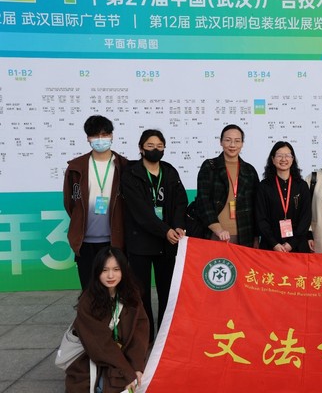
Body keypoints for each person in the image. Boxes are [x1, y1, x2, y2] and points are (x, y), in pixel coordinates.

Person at [121, 129, 188, 341]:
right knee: (140, 293)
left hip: (167, 243)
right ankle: (145, 336)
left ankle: (166, 336)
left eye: (159, 146)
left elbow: (180, 202)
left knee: (168, 291)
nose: (155, 149)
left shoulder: (169, 171)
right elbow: (140, 211)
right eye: (150, 146)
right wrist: (165, 230)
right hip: (140, 242)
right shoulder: (131, 174)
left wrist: (178, 226)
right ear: (141, 148)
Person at [65, 246, 149, 393]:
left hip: (124, 356)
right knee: (105, 386)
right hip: (94, 357)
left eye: (116, 269)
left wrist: (136, 367)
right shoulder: (88, 300)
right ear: (97, 272)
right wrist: (127, 373)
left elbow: (139, 333)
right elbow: (99, 344)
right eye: (105, 270)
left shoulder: (131, 295)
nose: (111, 275)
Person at [63, 115, 128, 290]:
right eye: (95, 135)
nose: (100, 139)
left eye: (105, 134)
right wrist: (79, 220)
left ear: (112, 136)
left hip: (115, 239)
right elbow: (70, 203)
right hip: (85, 240)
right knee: (89, 288)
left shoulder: (124, 166)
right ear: (88, 138)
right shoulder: (76, 167)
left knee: (114, 289)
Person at [196, 124, 260, 247]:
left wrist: (256, 238)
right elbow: (203, 201)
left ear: (242, 144)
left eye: (237, 141)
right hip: (215, 235)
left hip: (245, 236)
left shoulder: (249, 171)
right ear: (221, 142)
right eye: (228, 140)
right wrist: (218, 229)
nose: (232, 145)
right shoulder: (210, 167)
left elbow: (256, 207)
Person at [255, 142, 311, 252]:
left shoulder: (302, 186)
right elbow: (261, 218)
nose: (283, 159)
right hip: (270, 247)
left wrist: (291, 243)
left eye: (287, 155)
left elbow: (306, 217)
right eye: (279, 155)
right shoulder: (264, 186)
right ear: (272, 159)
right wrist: (274, 243)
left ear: (293, 159)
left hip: (298, 246)